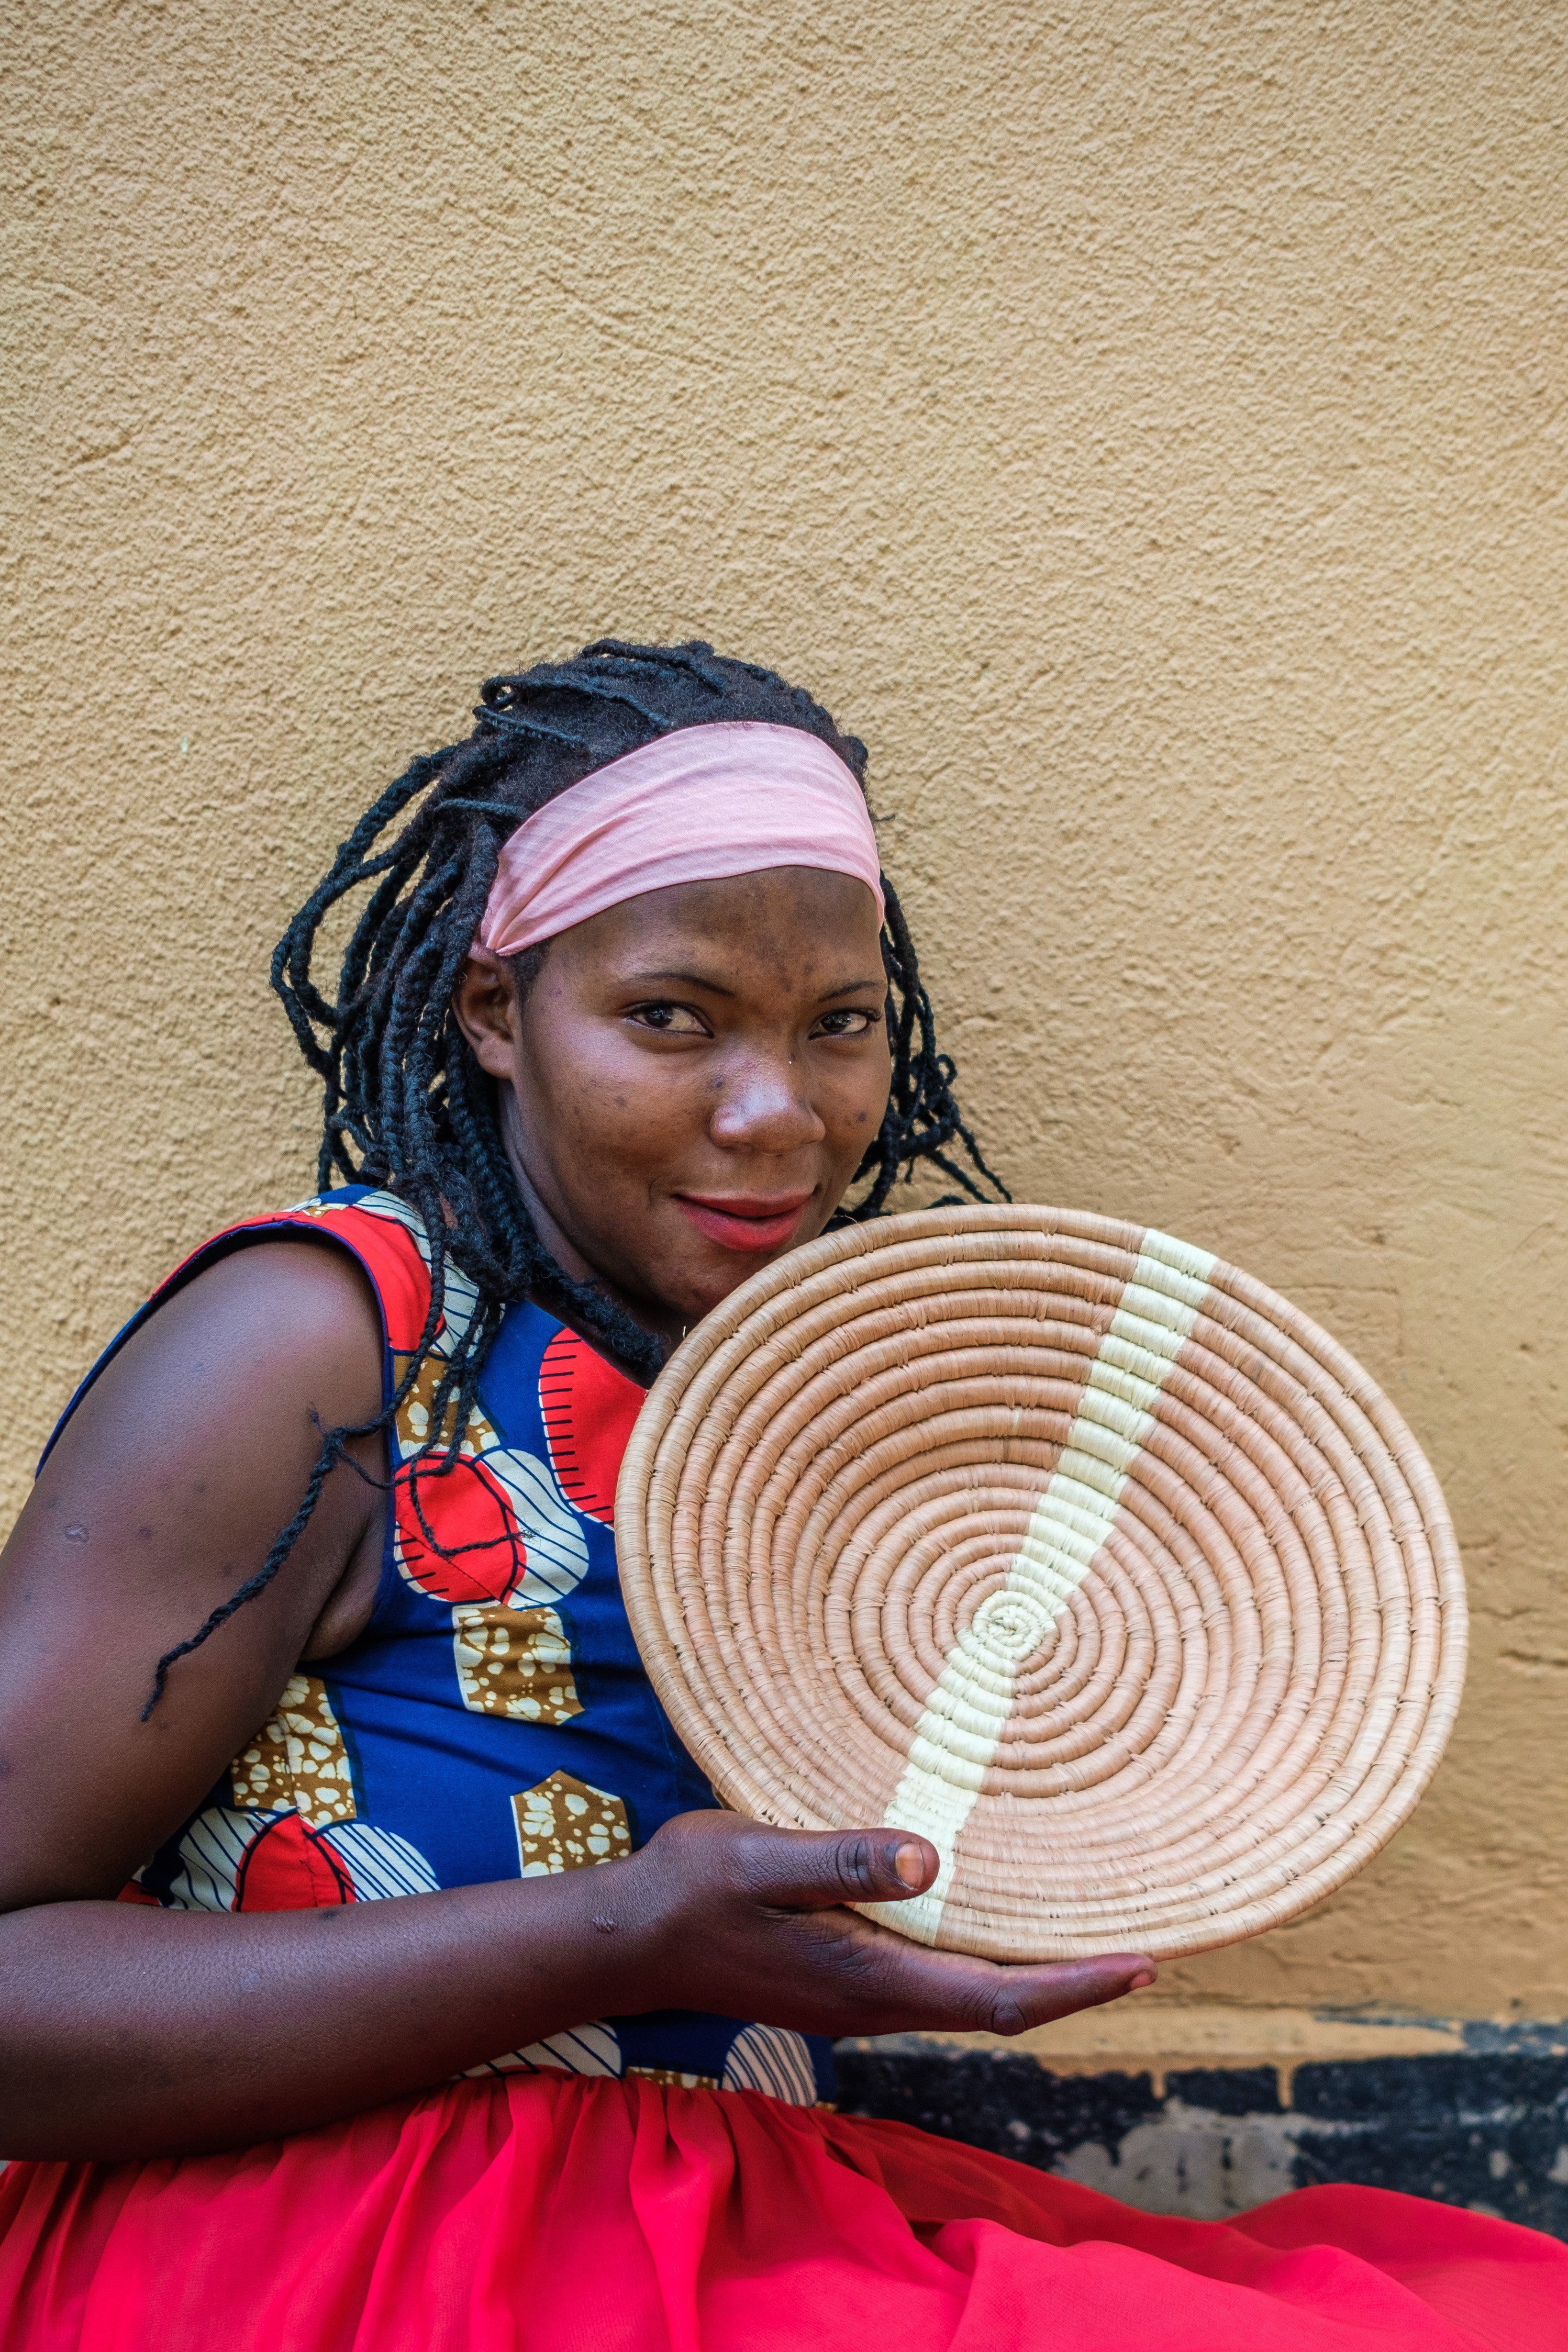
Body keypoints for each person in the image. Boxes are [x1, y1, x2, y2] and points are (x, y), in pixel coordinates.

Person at [0, 640, 1557, 2351]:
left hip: (730, 2220)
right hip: (345, 2255)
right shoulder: (327, 1342)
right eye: (673, 1016)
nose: (777, 1113)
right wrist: (623, 1933)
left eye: (842, 1025)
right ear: (496, 1009)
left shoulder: (815, 1401)